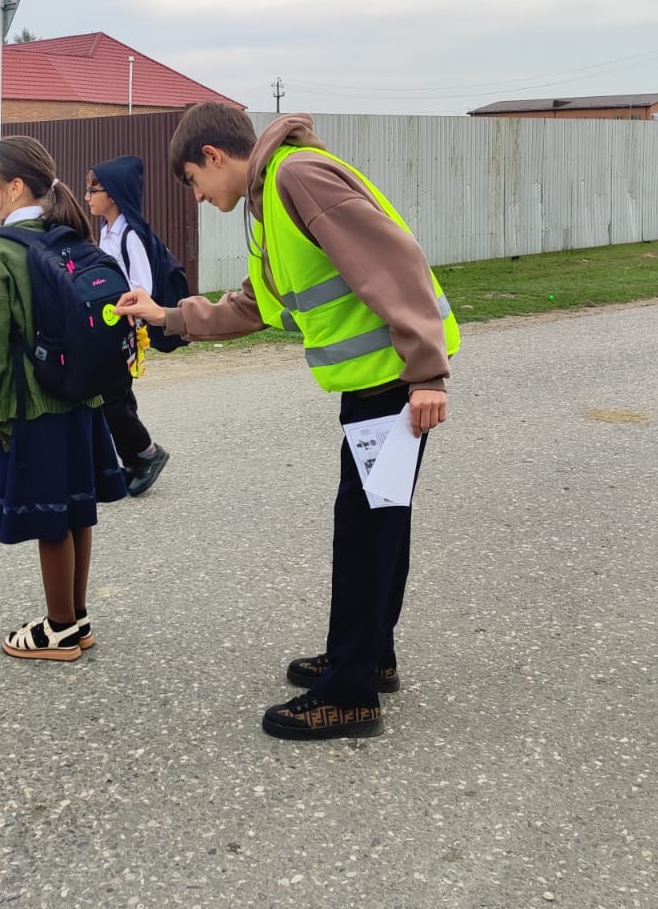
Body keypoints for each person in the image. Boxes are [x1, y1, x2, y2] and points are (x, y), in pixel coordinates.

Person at [118, 103, 456, 739]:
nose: (197, 196)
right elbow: (256, 304)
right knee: (375, 525)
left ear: (213, 156)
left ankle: (350, 695)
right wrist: (168, 316)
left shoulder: (296, 176)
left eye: (193, 181)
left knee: (365, 532)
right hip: (375, 383)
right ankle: (369, 655)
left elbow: (395, 261)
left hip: (393, 382)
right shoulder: (270, 197)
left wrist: (426, 374)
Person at [0, 136, 129, 660]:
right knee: (77, 510)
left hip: (36, 406)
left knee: (50, 517)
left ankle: (58, 629)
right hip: (84, 399)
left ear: (14, 186)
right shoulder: (68, 236)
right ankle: (76, 617)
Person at [85, 157, 170, 495]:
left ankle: (148, 454)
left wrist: (120, 303)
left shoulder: (130, 236)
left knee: (112, 399)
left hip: (124, 329)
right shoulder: (106, 231)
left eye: (93, 191)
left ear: (113, 194)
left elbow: (142, 287)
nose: (87, 197)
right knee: (119, 395)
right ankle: (134, 460)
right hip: (108, 329)